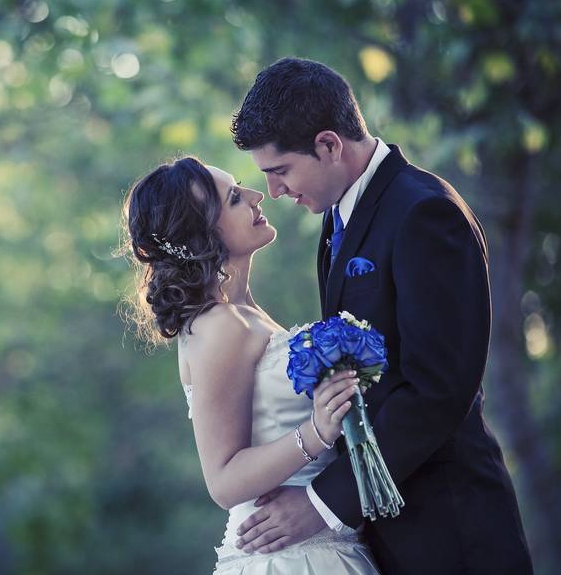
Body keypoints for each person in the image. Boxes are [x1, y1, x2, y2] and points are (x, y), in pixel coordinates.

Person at [229, 57, 532, 574]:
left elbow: (439, 388)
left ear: (328, 145)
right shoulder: (338, 220)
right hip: (382, 533)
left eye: (280, 171)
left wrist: (322, 504)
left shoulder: (424, 212)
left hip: (450, 530)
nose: (275, 192)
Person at [122, 156, 381, 573]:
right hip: (285, 557)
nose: (259, 195)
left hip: (323, 541)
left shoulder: (247, 315)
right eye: (235, 198)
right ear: (204, 234)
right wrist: (317, 431)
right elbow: (223, 480)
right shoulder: (221, 326)